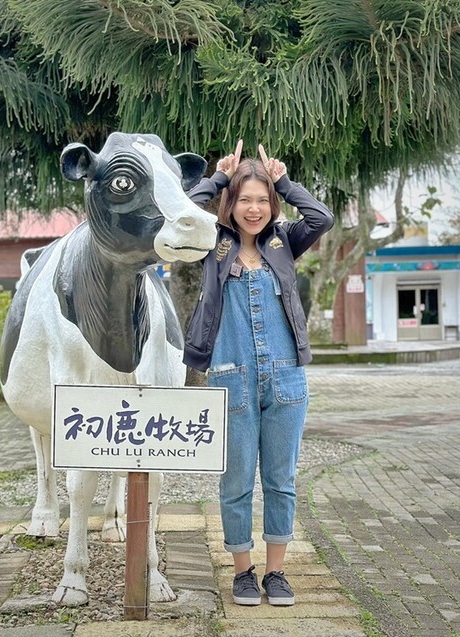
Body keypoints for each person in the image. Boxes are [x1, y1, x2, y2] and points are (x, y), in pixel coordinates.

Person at [184, 140, 334, 606]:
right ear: (231, 203)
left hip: (286, 378)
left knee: (280, 481)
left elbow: (322, 218)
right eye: (245, 199)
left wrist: (284, 182)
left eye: (263, 200)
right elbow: (180, 214)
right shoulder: (212, 243)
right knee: (236, 482)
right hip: (231, 378)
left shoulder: (284, 242)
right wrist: (218, 178)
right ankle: (242, 572)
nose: (254, 209)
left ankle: (276, 572)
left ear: (273, 204)